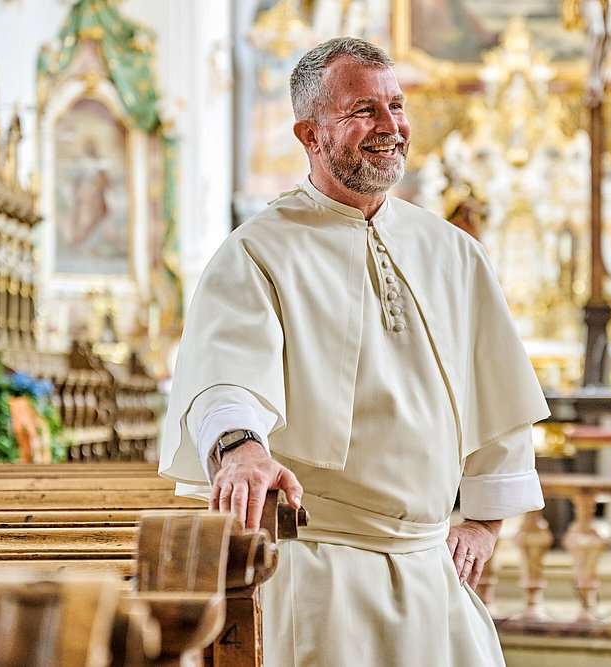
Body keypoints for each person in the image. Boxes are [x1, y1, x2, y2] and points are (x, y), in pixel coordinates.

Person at [158, 37, 550, 665]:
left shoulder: (454, 252)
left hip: (432, 572)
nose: (391, 127)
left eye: (396, 106)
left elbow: (498, 395)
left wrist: (483, 521)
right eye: (364, 110)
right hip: (319, 573)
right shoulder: (257, 252)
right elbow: (224, 380)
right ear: (310, 135)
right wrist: (241, 449)